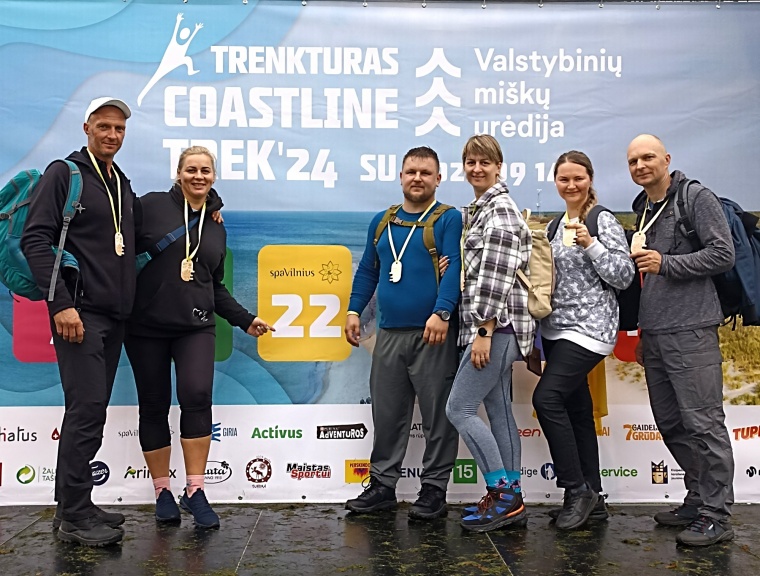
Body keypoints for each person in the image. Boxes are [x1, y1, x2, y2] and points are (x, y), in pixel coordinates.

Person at [123, 146, 272, 529]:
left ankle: (195, 490)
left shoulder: (216, 225)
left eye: (206, 170)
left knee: (197, 397)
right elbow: (117, 249)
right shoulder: (149, 206)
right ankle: (162, 491)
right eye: (191, 169)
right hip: (144, 328)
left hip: (196, 327)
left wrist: (244, 320)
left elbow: (214, 286)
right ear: (178, 173)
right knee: (153, 405)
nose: (198, 176)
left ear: (214, 176)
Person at [21, 97, 136, 546]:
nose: (112, 135)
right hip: (79, 315)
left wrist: (209, 203)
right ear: (87, 127)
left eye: (119, 129)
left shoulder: (119, 181)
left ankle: (73, 504)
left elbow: (144, 229)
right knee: (86, 411)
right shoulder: (63, 173)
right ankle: (74, 517)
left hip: (114, 317)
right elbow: (36, 239)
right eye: (104, 126)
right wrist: (60, 305)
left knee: (90, 411)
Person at [627, 134, 735, 547]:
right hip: (656, 333)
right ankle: (698, 498)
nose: (640, 165)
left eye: (648, 157)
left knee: (704, 424)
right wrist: (643, 333)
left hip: (692, 330)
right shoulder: (643, 208)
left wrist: (667, 263)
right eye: (633, 161)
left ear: (666, 159)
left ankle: (717, 515)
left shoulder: (696, 198)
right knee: (672, 423)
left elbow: (722, 254)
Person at [344, 146, 461, 520]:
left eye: (426, 173)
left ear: (438, 179)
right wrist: (353, 310)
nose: (417, 178)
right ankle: (382, 486)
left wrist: (442, 312)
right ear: (400, 176)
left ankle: (434, 490)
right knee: (388, 414)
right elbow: (368, 270)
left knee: (438, 417)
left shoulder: (448, 219)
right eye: (411, 171)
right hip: (389, 334)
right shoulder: (382, 221)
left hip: (433, 334)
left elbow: (456, 269)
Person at [532, 150, 635, 530]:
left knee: (546, 398)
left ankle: (577, 490)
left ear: (590, 179)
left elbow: (623, 275)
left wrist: (592, 243)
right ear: (556, 182)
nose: (571, 185)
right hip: (555, 329)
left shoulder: (601, 219)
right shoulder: (553, 225)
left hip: (591, 329)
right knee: (577, 411)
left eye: (578, 178)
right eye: (564, 179)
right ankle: (595, 497)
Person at [445, 135, 535, 533]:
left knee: (459, 409)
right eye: (471, 162)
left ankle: (501, 495)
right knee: (498, 408)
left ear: (499, 167)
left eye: (485, 162)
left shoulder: (499, 210)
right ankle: (512, 497)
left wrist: (484, 329)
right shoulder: (484, 209)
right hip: (500, 328)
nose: (477, 168)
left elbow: (497, 276)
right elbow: (483, 266)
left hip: (495, 328)